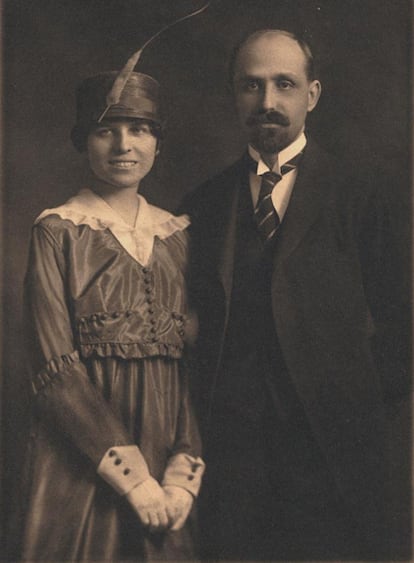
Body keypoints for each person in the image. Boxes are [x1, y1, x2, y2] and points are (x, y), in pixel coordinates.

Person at [181, 29, 410, 561]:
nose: (267, 102)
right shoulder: (205, 203)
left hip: (333, 459)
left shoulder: (365, 192)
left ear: (312, 95)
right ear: (234, 96)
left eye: (284, 85)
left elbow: (405, 326)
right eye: (251, 86)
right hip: (232, 464)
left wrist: (353, 407)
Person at [11, 70, 205, 562]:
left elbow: (191, 367)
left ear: (158, 143)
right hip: (82, 458)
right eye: (106, 130)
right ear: (85, 142)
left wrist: (182, 476)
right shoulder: (59, 232)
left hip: (166, 460)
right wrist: (133, 480)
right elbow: (54, 365)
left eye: (139, 129)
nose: (123, 144)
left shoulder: (177, 236)